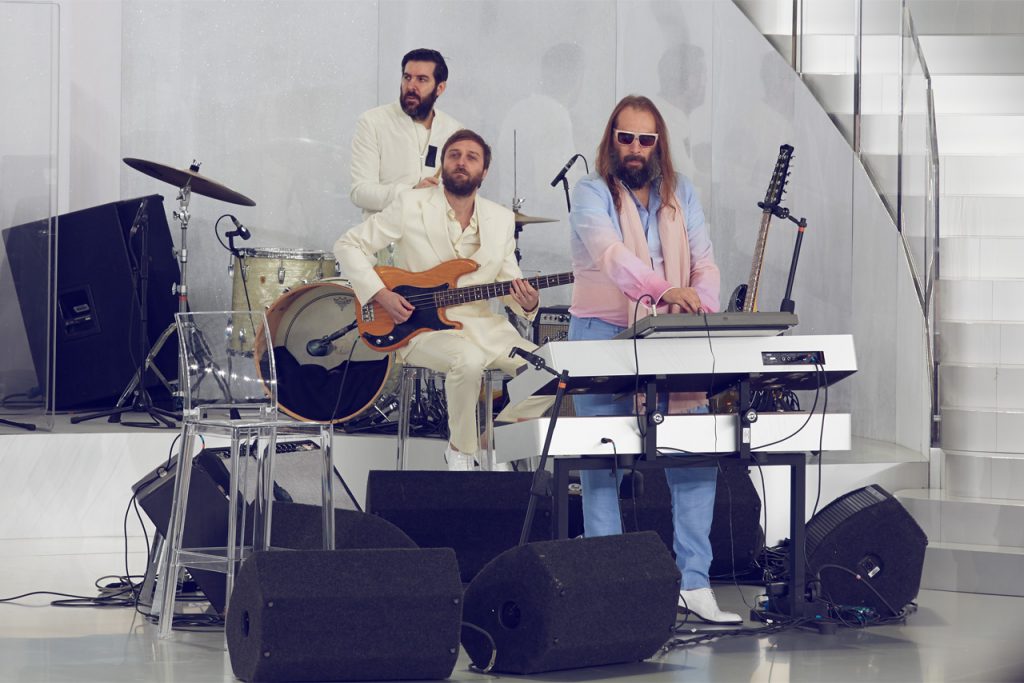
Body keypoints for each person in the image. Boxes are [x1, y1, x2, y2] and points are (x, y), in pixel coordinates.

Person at [567, 95, 740, 624]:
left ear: (658, 143)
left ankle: (695, 583)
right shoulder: (591, 192)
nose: (636, 148)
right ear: (611, 140)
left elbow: (705, 261)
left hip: (673, 335)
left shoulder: (680, 193)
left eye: (646, 139)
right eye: (627, 138)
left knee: (694, 455)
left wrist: (698, 307)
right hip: (602, 336)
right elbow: (611, 257)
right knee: (602, 464)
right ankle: (610, 587)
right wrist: (666, 292)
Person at [336, 129, 542, 471]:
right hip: (422, 328)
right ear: (443, 163)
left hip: (486, 329)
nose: (461, 162)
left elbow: (509, 284)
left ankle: (493, 444)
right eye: (454, 155)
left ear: (485, 171)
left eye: (471, 157)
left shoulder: (501, 219)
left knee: (549, 372)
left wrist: (529, 303)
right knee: (468, 360)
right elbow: (348, 245)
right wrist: (381, 294)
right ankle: (461, 453)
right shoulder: (410, 204)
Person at [350, 48, 465, 219]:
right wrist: (411, 192)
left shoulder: (454, 131)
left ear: (440, 88)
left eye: (422, 79)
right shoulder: (373, 122)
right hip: (384, 232)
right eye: (407, 77)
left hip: (435, 232)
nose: (411, 86)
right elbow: (360, 192)